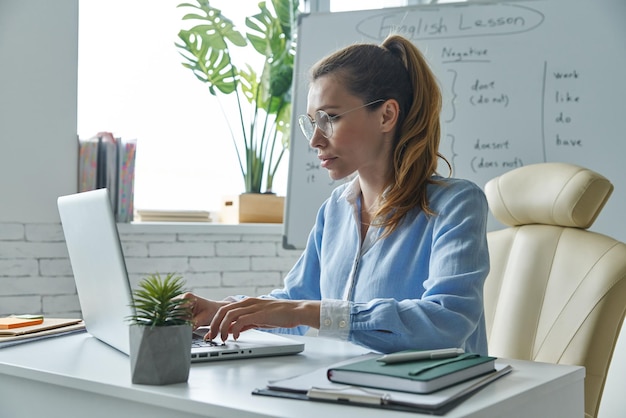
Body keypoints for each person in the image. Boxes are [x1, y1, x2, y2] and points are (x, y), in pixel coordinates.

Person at [185, 34, 490, 355]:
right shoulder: (335, 209)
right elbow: (294, 299)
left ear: (387, 115)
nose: (315, 139)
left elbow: (448, 320)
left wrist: (306, 311)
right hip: (346, 385)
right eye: (311, 122)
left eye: (329, 118)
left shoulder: (456, 204)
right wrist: (222, 310)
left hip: (433, 394)